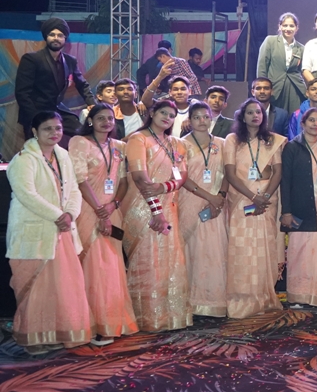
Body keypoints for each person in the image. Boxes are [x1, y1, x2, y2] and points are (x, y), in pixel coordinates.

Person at [7, 111, 91, 353]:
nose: (54, 133)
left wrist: (70, 214)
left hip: (62, 231)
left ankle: (55, 333)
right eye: (47, 129)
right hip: (35, 232)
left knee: (62, 287)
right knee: (35, 289)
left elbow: (73, 189)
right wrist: (58, 215)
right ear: (34, 131)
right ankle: (33, 339)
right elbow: (27, 195)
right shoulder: (23, 160)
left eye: (58, 128)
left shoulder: (63, 156)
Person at [122, 99, 192, 332]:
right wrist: (156, 211)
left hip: (169, 206)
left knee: (169, 260)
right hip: (143, 207)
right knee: (147, 260)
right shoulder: (138, 139)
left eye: (172, 115)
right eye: (163, 112)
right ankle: (146, 317)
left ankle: (170, 316)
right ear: (152, 113)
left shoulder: (176, 144)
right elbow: (140, 178)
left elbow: (182, 176)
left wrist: (164, 187)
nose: (167, 118)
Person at [69, 105, 137, 345]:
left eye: (110, 118)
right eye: (100, 118)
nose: (106, 122)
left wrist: (113, 205)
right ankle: (92, 325)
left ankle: (113, 322)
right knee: (94, 267)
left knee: (112, 268)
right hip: (89, 211)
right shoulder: (79, 142)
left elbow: (123, 182)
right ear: (90, 121)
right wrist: (100, 210)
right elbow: (80, 180)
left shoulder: (119, 147)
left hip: (111, 211)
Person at [223, 98, 287, 319]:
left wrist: (264, 197)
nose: (255, 116)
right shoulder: (232, 140)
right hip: (242, 199)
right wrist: (253, 197)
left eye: (258, 112)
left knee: (264, 245)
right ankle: (241, 297)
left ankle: (264, 296)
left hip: (267, 200)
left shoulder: (272, 140)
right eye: (250, 112)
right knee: (242, 246)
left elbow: (278, 172)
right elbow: (230, 174)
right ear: (242, 116)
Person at [281, 108, 317, 307]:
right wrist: (286, 211)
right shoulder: (292, 147)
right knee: (300, 252)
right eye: (311, 120)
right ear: (303, 123)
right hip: (300, 208)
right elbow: (285, 181)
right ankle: (300, 295)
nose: (315, 124)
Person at [179, 101, 230, 317]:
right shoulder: (180, 144)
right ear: (189, 120)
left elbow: (228, 173)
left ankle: (214, 301)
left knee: (215, 250)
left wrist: (220, 197)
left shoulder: (222, 143)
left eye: (206, 117)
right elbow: (181, 177)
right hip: (191, 201)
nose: (202, 121)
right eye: (197, 117)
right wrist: (209, 197)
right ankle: (192, 302)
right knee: (194, 250)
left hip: (217, 204)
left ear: (211, 119)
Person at [15, 18, 96, 139]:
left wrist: (92, 104)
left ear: (65, 38)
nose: (56, 38)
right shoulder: (31, 59)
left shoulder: (70, 60)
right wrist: (35, 117)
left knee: (83, 133)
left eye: (60, 35)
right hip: (35, 111)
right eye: (52, 35)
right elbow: (22, 93)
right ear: (46, 37)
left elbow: (82, 84)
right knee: (37, 147)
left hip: (58, 110)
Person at [257, 12, 306, 114]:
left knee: (294, 117)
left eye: (291, 26)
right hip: (275, 87)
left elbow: (301, 70)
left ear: (296, 28)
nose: (288, 28)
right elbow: (262, 66)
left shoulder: (301, 48)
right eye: (285, 25)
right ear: (280, 26)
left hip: (294, 88)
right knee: (274, 117)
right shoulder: (270, 41)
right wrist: (262, 87)